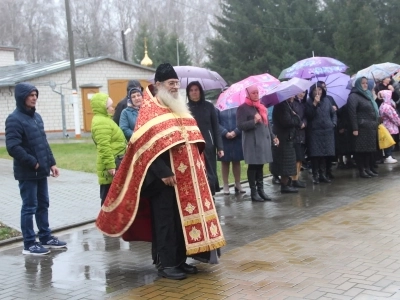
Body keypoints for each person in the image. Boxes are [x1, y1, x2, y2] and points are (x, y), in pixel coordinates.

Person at [96, 63, 226, 280]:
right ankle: (166, 264)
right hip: (161, 180)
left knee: (179, 221)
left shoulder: (177, 107)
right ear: (158, 85)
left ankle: (180, 260)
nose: (175, 87)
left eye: (176, 83)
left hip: (184, 178)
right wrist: (164, 171)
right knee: (164, 221)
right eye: (171, 83)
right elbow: (145, 145)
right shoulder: (150, 110)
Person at [5, 82, 67, 255]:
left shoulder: (36, 117)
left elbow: (43, 143)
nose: (34, 98)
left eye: (35, 95)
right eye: (30, 95)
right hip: (27, 172)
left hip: (41, 171)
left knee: (43, 204)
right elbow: (13, 147)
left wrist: (51, 163)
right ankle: (29, 243)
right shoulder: (14, 119)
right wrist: (33, 162)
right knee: (29, 207)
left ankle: (45, 237)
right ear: (21, 97)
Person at [237, 85, 279, 202]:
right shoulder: (243, 108)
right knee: (253, 165)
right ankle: (254, 192)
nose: (256, 94)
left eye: (257, 92)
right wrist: (253, 121)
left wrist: (273, 136)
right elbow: (240, 126)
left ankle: (261, 190)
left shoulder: (261, 107)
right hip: (252, 142)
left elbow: (267, 124)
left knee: (260, 165)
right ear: (248, 94)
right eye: (253, 93)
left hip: (262, 141)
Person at [187, 81, 224, 195]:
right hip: (193, 144)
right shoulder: (185, 108)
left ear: (200, 91)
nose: (194, 93)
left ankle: (211, 195)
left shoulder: (209, 106)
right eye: (191, 90)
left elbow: (216, 127)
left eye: (196, 90)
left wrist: (220, 147)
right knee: (196, 172)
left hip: (208, 143)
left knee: (210, 171)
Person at [90, 93, 126, 205]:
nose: (113, 108)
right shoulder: (101, 123)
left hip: (115, 162)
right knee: (108, 200)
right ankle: (106, 222)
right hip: (111, 166)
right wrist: (110, 165)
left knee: (113, 199)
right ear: (102, 108)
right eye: (110, 106)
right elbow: (103, 146)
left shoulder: (105, 120)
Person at [347, 77, 380, 178]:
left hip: (371, 127)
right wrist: (355, 128)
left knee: (369, 150)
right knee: (361, 151)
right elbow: (352, 114)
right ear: (358, 85)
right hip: (361, 127)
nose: (365, 85)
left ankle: (368, 168)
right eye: (363, 83)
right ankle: (362, 170)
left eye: (366, 83)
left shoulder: (368, 94)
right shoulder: (353, 96)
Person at [305, 83, 337, 184]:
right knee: (315, 155)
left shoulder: (327, 100)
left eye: (320, 89)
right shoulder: (309, 101)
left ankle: (323, 174)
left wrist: (333, 123)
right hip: (315, 131)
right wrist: (314, 104)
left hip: (327, 131)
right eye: (315, 90)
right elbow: (309, 116)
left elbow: (333, 113)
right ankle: (315, 175)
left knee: (324, 154)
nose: (318, 91)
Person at [270, 97, 301, 193]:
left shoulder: (286, 105)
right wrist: (296, 118)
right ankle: (284, 185)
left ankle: (287, 182)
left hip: (287, 138)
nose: (293, 97)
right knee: (284, 163)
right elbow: (287, 121)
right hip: (283, 138)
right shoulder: (281, 106)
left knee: (287, 162)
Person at [216, 105, 245, 195]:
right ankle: (225, 185)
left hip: (237, 137)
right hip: (223, 138)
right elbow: (216, 123)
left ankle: (238, 183)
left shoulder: (238, 107)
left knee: (236, 161)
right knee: (225, 162)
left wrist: (235, 132)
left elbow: (242, 121)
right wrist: (225, 132)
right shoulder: (218, 107)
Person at [291, 91, 308, 188]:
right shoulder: (292, 104)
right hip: (295, 133)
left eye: (304, 92)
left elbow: (306, 116)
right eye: (300, 92)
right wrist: (298, 123)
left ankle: (297, 177)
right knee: (296, 157)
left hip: (302, 133)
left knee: (300, 157)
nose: (302, 94)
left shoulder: (303, 104)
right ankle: (294, 178)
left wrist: (304, 123)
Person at [378, 90, 400, 163]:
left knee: (388, 141)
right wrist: (399, 122)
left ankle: (388, 155)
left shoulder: (383, 105)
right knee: (390, 142)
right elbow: (394, 116)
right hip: (390, 127)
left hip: (386, 126)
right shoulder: (387, 107)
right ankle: (388, 156)